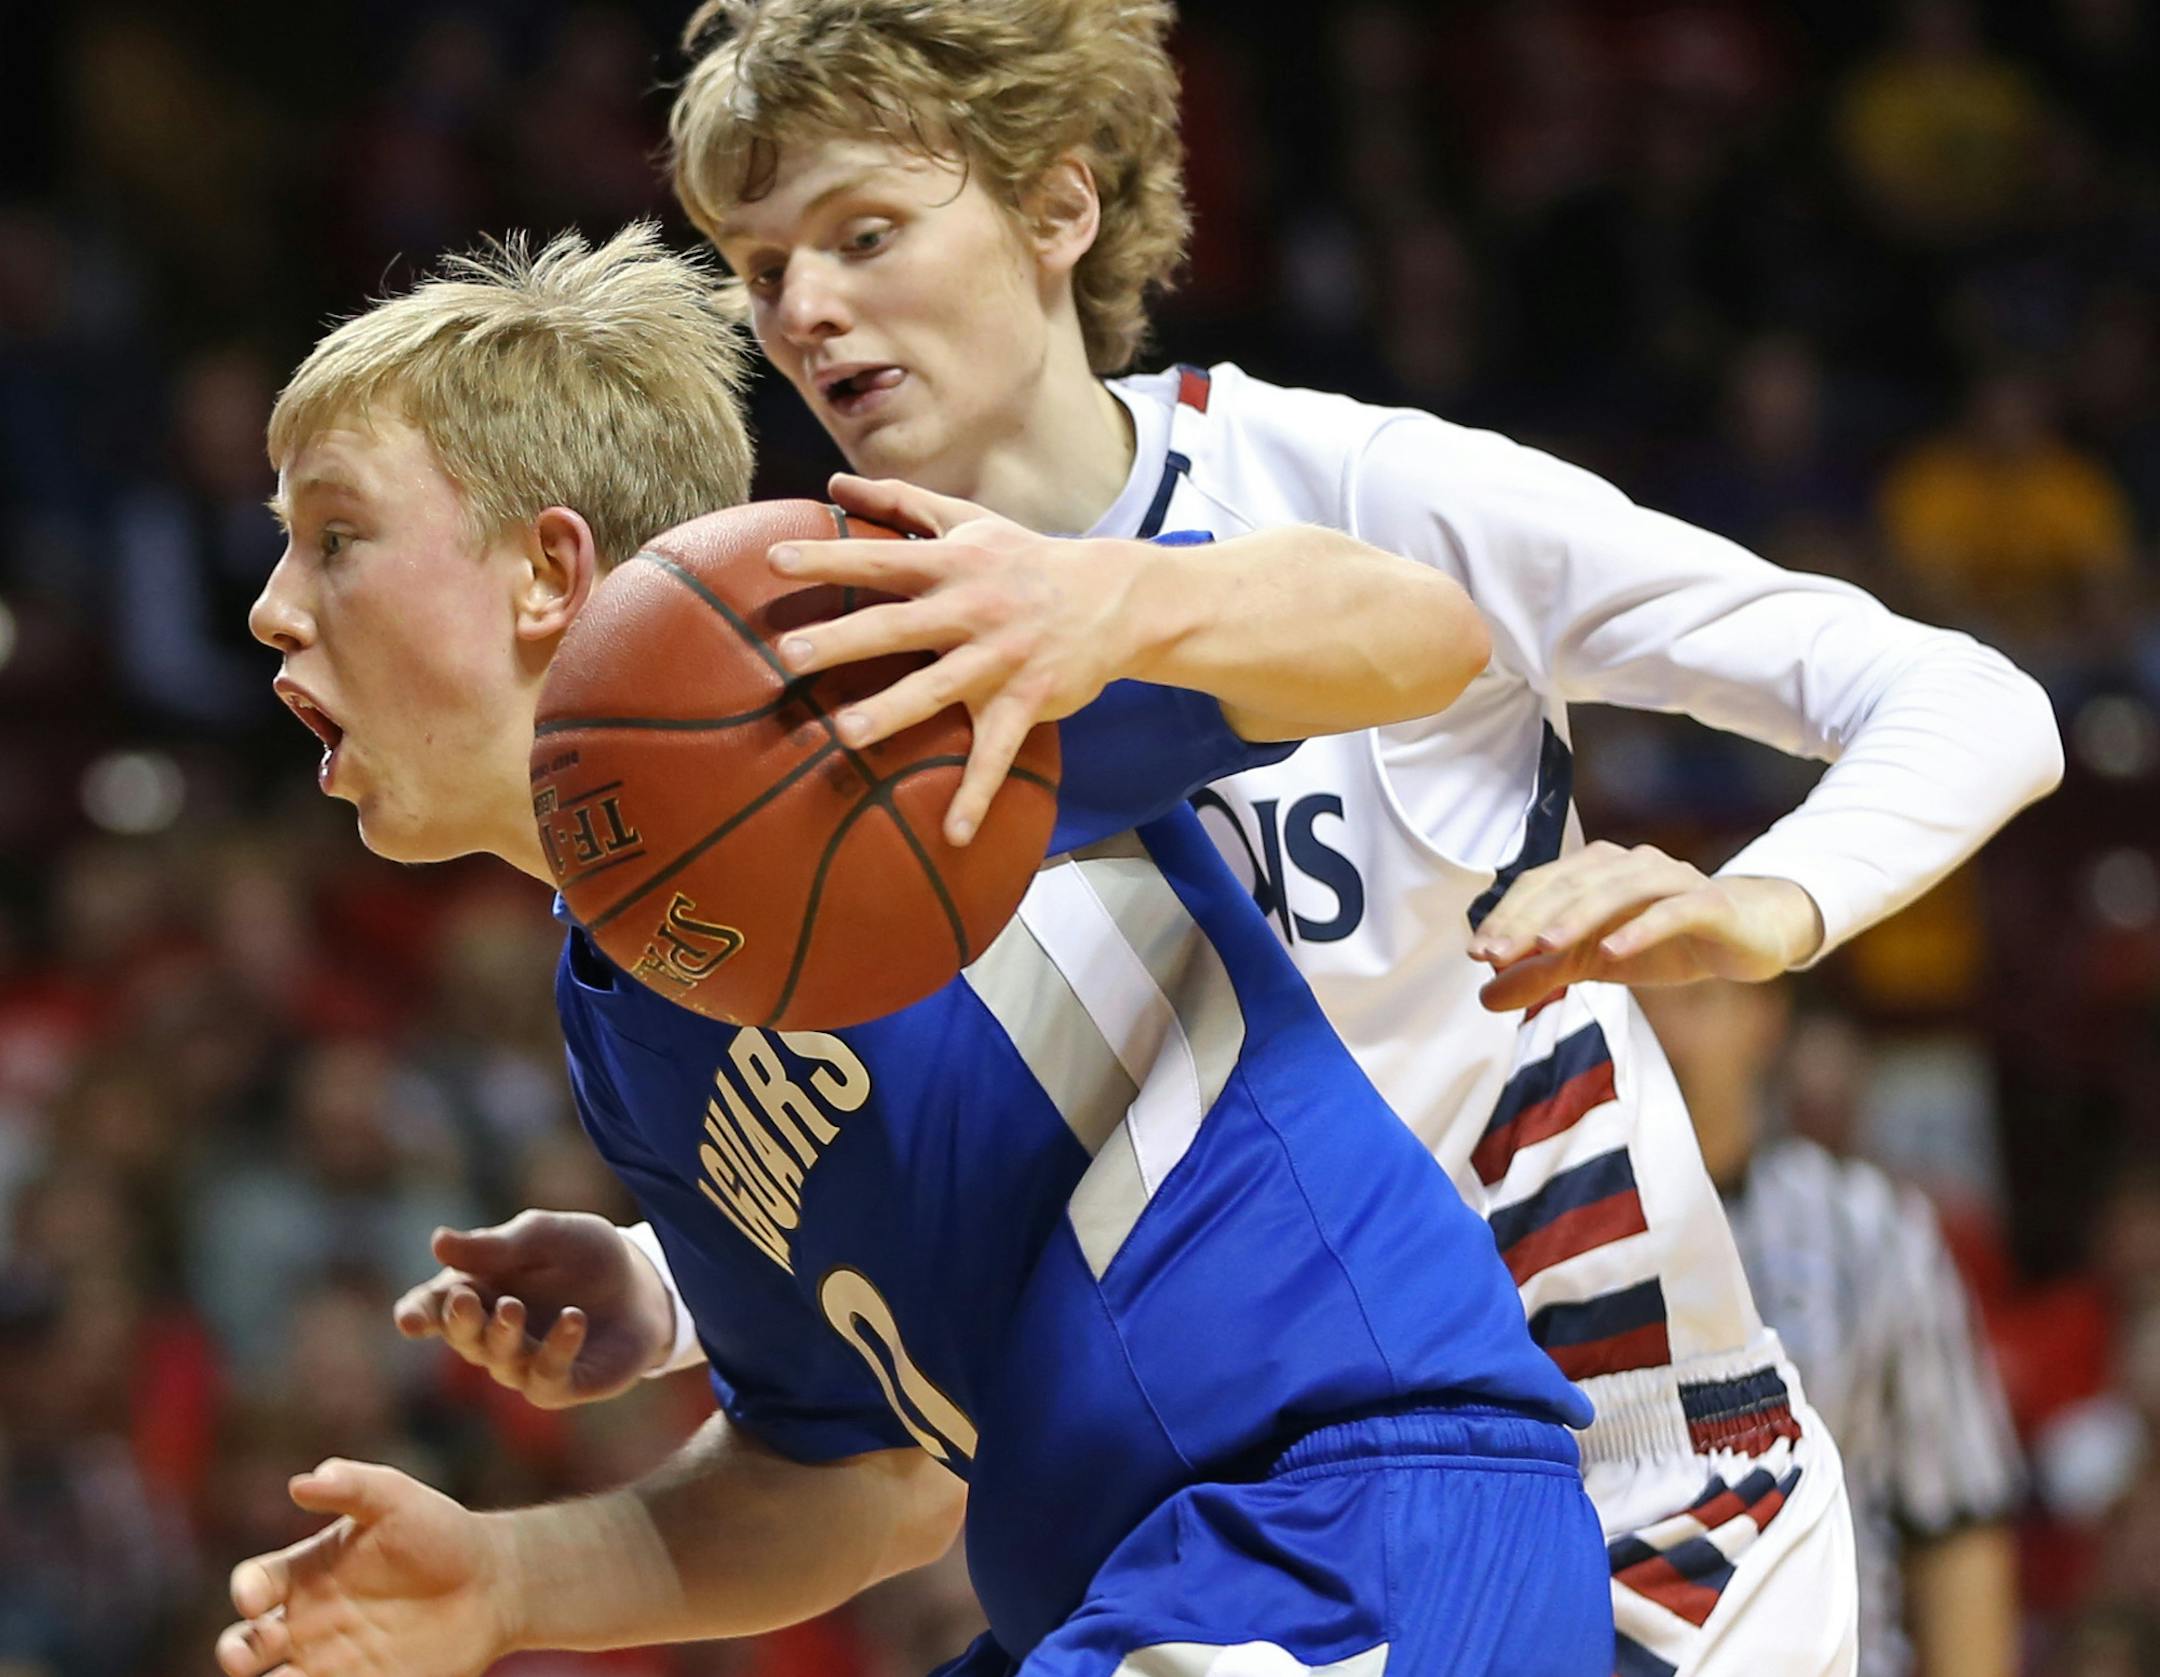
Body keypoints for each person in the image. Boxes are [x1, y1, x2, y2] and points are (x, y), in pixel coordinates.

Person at [399, 5, 2065, 1675]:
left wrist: (1763, 904)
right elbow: (1031, 1135)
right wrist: (681, 1281)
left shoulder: (1330, 482)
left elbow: (1968, 698)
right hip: (1245, 1529)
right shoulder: (817, 650)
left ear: (1057, 211)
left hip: (1628, 1501)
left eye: (865, 234)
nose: (808, 308)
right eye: (762, 267)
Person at [215, 225, 1612, 1677]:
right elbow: (858, 1483)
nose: (272, 605)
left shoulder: (844, 664)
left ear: (545, 570)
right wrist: (509, 1580)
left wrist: (1104, 599)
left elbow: (1423, 628)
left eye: (334, 536)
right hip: (1122, 1597)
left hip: (1340, 1526)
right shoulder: (623, 1026)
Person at [1638, 979, 2024, 1677]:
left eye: (1695, 998)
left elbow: (1956, 1525)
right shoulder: (1529, 1243)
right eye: (1632, 1003)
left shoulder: (1869, 1227)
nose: (1666, 1033)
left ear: (1764, 1014)